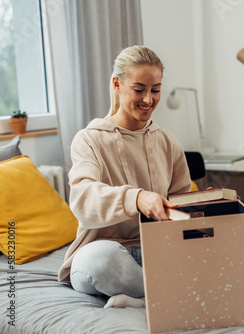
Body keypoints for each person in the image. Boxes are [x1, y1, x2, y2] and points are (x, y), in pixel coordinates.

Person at [58, 45, 191, 309]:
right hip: (108, 255)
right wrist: (137, 198)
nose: (148, 100)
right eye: (139, 89)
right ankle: (173, 295)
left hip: (157, 253)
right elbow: (83, 199)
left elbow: (181, 202)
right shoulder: (89, 139)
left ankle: (145, 299)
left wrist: (202, 208)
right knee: (99, 259)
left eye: (156, 90)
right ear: (117, 84)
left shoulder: (168, 142)